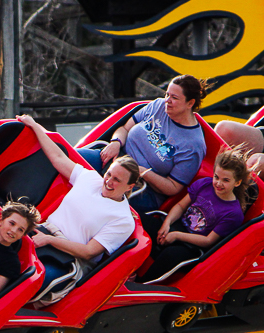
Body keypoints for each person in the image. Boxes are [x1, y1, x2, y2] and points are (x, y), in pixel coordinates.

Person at [17, 115, 139, 304]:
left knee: (33, 278)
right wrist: (34, 126)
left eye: (117, 180)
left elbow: (88, 252)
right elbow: (57, 157)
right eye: (109, 174)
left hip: (69, 257)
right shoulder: (91, 178)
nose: (108, 181)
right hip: (44, 231)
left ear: (129, 187)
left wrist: (49, 240)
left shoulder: (123, 219)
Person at [77, 75, 210, 213]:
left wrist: (142, 171)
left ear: (190, 103)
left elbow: (173, 187)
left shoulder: (194, 144)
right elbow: (124, 129)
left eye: (174, 98)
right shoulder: (158, 106)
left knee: (96, 195)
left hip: (142, 186)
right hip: (117, 160)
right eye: (167, 94)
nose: (167, 101)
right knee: (70, 158)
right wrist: (116, 142)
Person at [136, 147, 250, 283]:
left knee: (170, 255)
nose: (218, 183)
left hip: (191, 246)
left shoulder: (233, 213)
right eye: (216, 177)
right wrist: (166, 224)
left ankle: (139, 283)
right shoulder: (205, 184)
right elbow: (180, 206)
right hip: (176, 227)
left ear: (237, 182)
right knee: (139, 219)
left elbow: (209, 241)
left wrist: (176, 235)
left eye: (226, 180)